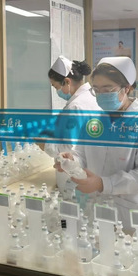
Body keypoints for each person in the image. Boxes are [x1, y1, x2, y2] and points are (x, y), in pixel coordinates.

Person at [56, 56, 138, 232]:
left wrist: (103, 183)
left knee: (127, 247)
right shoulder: (94, 121)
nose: (101, 95)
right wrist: (71, 160)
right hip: (93, 208)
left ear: (127, 88)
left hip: (128, 212)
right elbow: (81, 153)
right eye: (96, 89)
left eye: (107, 89)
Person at [46, 56, 101, 190]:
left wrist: (43, 143)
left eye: (56, 86)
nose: (57, 91)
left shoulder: (75, 106)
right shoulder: (91, 97)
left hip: (78, 173)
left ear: (67, 81)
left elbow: (67, 148)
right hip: (92, 168)